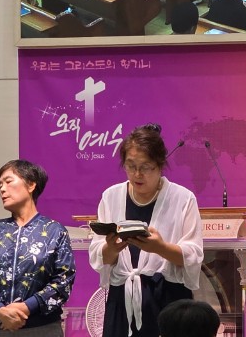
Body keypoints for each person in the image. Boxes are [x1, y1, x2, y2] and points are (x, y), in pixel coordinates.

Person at [90, 124, 205, 337]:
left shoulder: (183, 198)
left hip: (167, 299)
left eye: (146, 167)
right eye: (130, 165)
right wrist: (111, 248)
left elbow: (193, 256)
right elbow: (100, 256)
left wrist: (160, 248)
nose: (137, 174)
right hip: (122, 296)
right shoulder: (111, 196)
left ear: (160, 165)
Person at [0, 160, 75, 337]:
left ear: (31, 185)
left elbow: (64, 279)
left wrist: (27, 307)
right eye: (0, 184)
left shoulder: (54, 230)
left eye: (8, 181)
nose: (2, 189)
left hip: (43, 328)